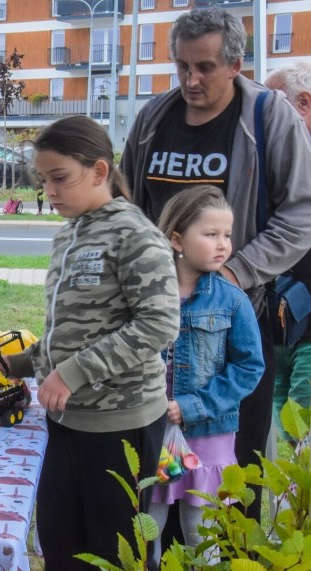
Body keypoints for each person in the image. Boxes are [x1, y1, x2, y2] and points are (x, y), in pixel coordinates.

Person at [120, 6, 311, 521]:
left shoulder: (270, 118)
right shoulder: (153, 118)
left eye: (204, 67)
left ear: (235, 65)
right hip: (154, 319)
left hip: (229, 322)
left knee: (227, 478)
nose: (190, 79)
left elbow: (302, 214)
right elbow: (128, 208)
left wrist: (234, 273)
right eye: (181, 66)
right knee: (157, 476)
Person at [3, 116, 180, 570]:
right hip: (68, 420)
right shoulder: (69, 233)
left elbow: (159, 324)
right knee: (62, 544)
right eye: (44, 180)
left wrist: (74, 371)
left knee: (114, 553)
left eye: (60, 178)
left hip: (120, 423)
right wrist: (17, 365)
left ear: (100, 171)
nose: (51, 191)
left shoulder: (134, 235)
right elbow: (73, 328)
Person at [148, 185, 264, 565]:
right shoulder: (149, 295)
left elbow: (249, 366)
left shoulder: (232, 300)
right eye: (211, 234)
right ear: (177, 239)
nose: (223, 245)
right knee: (148, 524)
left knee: (201, 529)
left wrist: (194, 405)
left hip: (209, 433)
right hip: (155, 430)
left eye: (227, 235)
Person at [265, 61, 311, 441]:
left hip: (308, 332)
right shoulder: (276, 164)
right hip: (279, 326)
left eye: (273, 103)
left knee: (304, 433)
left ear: (304, 103)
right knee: (287, 427)